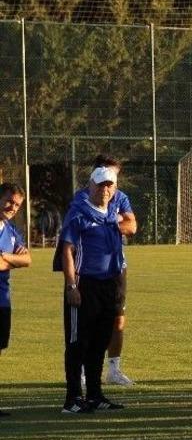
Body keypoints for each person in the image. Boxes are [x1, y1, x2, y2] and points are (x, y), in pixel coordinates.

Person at [54, 154, 138, 386]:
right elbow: (68, 248)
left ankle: (110, 372)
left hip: (115, 270)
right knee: (84, 327)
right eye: (104, 178)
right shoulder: (81, 202)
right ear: (92, 179)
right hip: (86, 275)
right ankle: (79, 379)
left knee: (114, 320)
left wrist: (110, 221)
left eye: (114, 179)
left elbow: (132, 227)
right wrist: (71, 284)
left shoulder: (120, 197)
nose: (109, 185)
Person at [60, 166, 127, 414]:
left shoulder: (112, 214)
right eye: (100, 185)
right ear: (90, 186)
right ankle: (72, 398)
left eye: (109, 185)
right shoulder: (78, 213)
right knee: (78, 342)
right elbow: (67, 250)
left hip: (108, 285)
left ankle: (95, 395)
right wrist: (71, 285)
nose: (105, 189)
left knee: (100, 342)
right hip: (83, 284)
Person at [0, 183, 30, 418]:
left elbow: (27, 259)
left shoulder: (10, 231)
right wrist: (12, 260)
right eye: (9, 201)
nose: (12, 207)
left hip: (3, 299)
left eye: (17, 204)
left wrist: (5, 257)